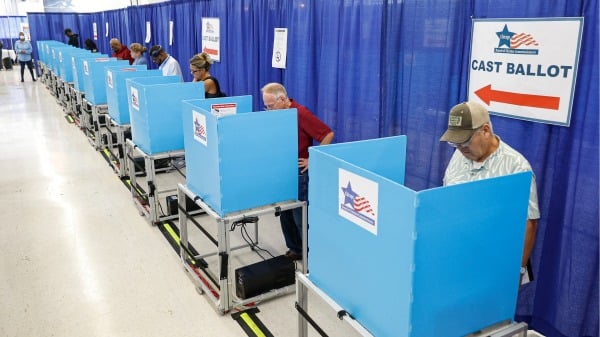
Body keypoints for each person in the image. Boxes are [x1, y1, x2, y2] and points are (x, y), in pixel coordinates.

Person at [440, 101, 540, 285]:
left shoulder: (516, 167)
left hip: (494, 260)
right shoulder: (460, 153)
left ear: (485, 130)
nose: (461, 149)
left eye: (465, 142)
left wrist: (518, 270)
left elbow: (529, 223)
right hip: (458, 254)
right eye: (455, 143)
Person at [261, 83, 334, 260]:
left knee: (299, 216)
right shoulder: (280, 114)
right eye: (266, 107)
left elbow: (327, 134)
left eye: (271, 106)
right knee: (284, 212)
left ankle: (311, 255)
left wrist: (313, 159)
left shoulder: (300, 113)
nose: (269, 110)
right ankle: (295, 249)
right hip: (283, 170)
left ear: (283, 100)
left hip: (299, 172)